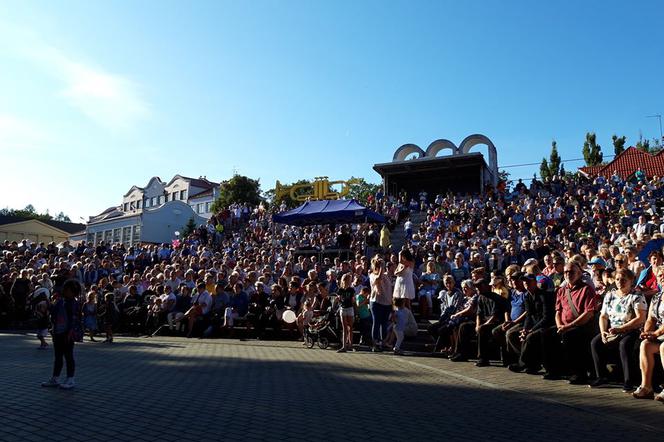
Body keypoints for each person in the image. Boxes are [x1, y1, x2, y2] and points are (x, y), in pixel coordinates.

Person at [590, 268, 646, 391]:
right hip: (613, 331)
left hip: (631, 330)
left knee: (624, 344)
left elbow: (640, 318)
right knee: (596, 342)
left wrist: (621, 328)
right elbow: (603, 316)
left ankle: (628, 381)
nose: (620, 282)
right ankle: (601, 377)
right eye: (617, 279)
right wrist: (603, 332)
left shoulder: (636, 295)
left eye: (623, 279)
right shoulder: (610, 295)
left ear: (631, 281)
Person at [542, 262, 597, 384]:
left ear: (579, 273)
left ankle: (578, 373)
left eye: (571, 272)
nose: (568, 274)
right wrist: (559, 325)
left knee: (570, 336)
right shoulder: (562, 290)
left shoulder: (586, 290)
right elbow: (558, 311)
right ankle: (554, 370)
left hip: (581, 326)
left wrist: (568, 326)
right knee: (546, 334)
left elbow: (588, 313)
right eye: (566, 272)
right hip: (564, 325)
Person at [41, 279, 82, 390]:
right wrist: (48, 304)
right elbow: (53, 311)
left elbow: (73, 319)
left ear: (73, 292)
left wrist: (70, 332)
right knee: (58, 356)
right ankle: (55, 377)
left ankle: (70, 379)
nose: (65, 291)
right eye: (65, 289)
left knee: (68, 356)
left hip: (66, 332)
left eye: (67, 290)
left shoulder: (73, 303)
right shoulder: (60, 301)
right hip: (57, 331)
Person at [633, 265, 664, 401]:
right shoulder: (657, 297)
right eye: (659, 276)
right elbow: (651, 318)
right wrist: (646, 332)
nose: (661, 278)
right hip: (660, 334)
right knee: (645, 345)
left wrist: (656, 333)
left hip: (661, 334)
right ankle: (646, 387)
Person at [369, 257, 393, 352]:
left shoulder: (386, 276)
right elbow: (378, 279)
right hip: (376, 302)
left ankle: (383, 342)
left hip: (387, 302)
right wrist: (381, 268)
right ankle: (375, 344)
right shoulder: (372, 275)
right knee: (376, 322)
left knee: (384, 324)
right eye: (379, 266)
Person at [337, 273, 355, 352]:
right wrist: (339, 301)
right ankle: (344, 346)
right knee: (344, 327)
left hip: (350, 308)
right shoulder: (340, 290)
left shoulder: (351, 290)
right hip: (343, 308)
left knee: (350, 327)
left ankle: (350, 345)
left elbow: (353, 300)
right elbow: (339, 299)